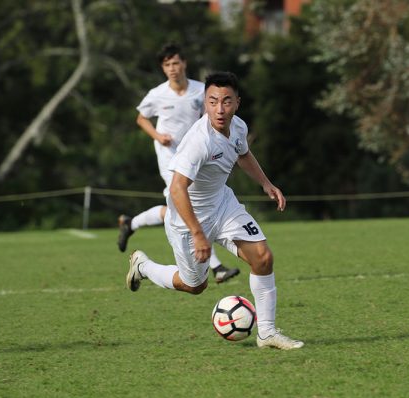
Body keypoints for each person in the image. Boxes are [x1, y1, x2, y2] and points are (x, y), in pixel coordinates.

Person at [125, 71, 304, 350]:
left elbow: (243, 154)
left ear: (237, 103)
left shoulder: (239, 127)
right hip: (188, 222)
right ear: (205, 103)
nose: (219, 109)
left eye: (226, 101)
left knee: (263, 258)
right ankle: (144, 267)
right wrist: (198, 234)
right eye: (212, 102)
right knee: (194, 285)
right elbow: (176, 189)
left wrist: (266, 184)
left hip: (223, 205)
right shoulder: (199, 141)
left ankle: (267, 333)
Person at [118, 43, 239, 284]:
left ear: (184, 63)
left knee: (180, 209)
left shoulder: (199, 90)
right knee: (185, 206)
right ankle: (216, 268)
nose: (172, 68)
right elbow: (141, 118)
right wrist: (158, 136)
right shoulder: (157, 94)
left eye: (175, 63)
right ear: (163, 69)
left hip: (197, 155)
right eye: (166, 65)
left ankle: (131, 223)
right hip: (170, 158)